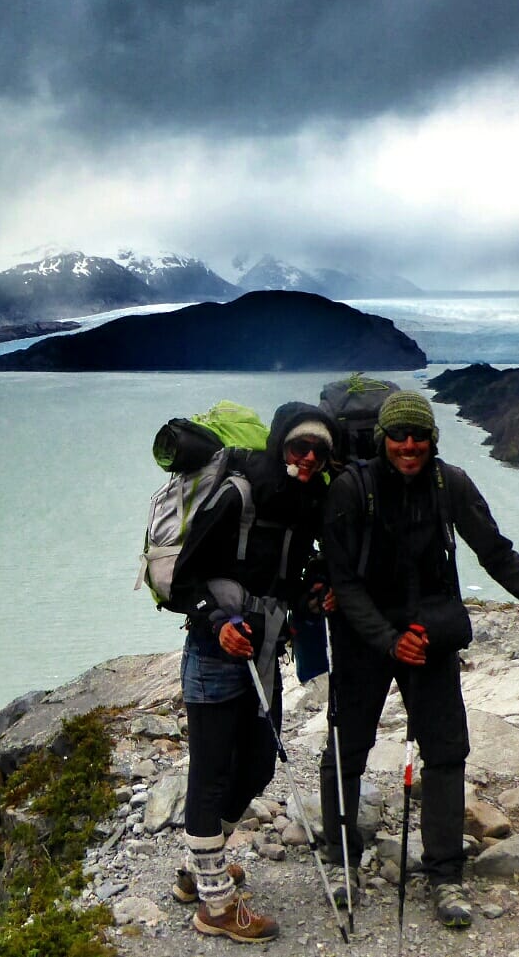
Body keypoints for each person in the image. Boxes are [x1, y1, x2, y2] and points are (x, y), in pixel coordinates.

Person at [320, 389, 519, 929]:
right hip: (366, 637)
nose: (409, 445)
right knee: (347, 745)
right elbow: (344, 581)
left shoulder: (449, 483)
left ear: (433, 438)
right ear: (382, 439)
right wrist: (387, 639)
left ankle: (445, 873)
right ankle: (340, 860)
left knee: (446, 750)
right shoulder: (350, 491)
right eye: (399, 436)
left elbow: (494, 550)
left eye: (419, 435)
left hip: (429, 635)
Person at [170, 402, 339, 943]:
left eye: (318, 451)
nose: (308, 458)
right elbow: (183, 580)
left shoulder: (306, 503)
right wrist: (215, 622)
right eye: (298, 448)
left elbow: (284, 582)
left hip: (263, 655)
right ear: (279, 447)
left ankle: (204, 866)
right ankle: (215, 906)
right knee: (212, 771)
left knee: (258, 767)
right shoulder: (236, 496)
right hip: (215, 655)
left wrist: (309, 599)